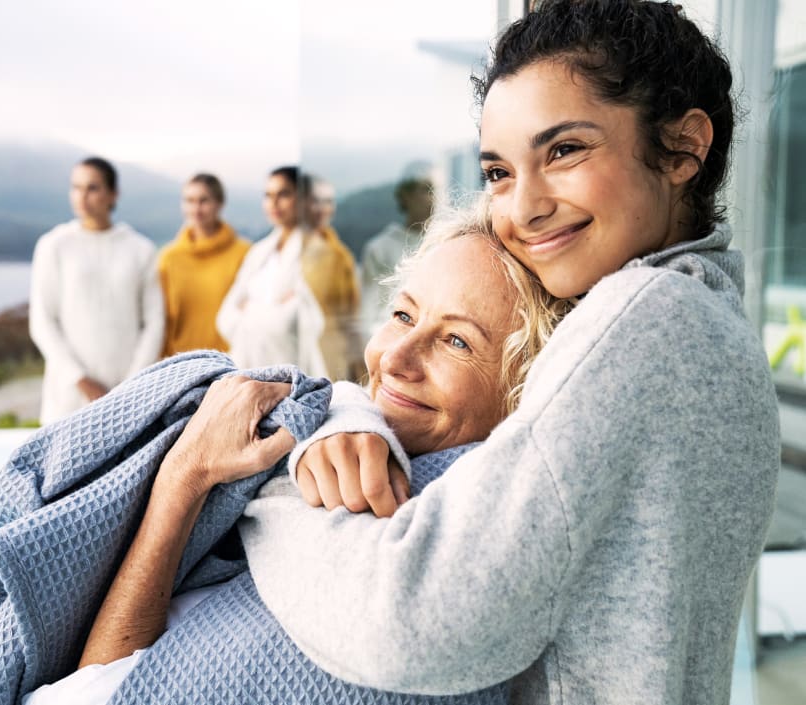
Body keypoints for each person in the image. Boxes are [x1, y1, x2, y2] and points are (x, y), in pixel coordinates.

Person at [235, 2, 781, 704]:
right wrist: (351, 410)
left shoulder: (645, 318)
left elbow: (409, 619)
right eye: (498, 171)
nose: (522, 208)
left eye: (564, 151)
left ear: (682, 149)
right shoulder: (712, 324)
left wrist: (272, 487)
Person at [14, 203, 568, 704]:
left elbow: (90, 693)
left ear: (529, 383)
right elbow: (99, 680)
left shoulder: (448, 557)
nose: (394, 359)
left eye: (457, 342)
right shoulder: (324, 437)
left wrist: (196, 473)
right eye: (402, 315)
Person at [29, 157, 163, 424]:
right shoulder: (54, 245)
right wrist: (80, 379)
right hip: (68, 395)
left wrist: (130, 386)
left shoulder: (140, 249)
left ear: (113, 194)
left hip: (127, 397)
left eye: (92, 188)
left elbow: (154, 322)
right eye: (76, 187)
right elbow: (42, 321)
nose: (82, 196)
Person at [216, 166, 327, 376]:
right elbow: (225, 318)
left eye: (283, 194)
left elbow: (308, 322)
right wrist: (275, 311)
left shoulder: (317, 252)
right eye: (268, 195)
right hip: (247, 370)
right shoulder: (258, 253)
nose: (274, 203)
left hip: (295, 373)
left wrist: (250, 309)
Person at [157, 173, 250, 356]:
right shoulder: (169, 258)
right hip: (180, 363)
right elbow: (162, 320)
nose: (196, 208)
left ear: (220, 203)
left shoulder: (244, 253)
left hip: (232, 361)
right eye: (189, 201)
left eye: (204, 201)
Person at [299, 174, 364, 380]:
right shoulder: (275, 252)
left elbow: (351, 316)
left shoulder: (340, 256)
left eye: (327, 201)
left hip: (332, 357)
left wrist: (359, 365)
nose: (322, 208)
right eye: (314, 201)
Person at [359, 161, 435, 337]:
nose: (433, 197)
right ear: (406, 195)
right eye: (426, 189)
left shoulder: (450, 245)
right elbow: (369, 313)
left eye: (437, 189)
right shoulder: (379, 249)